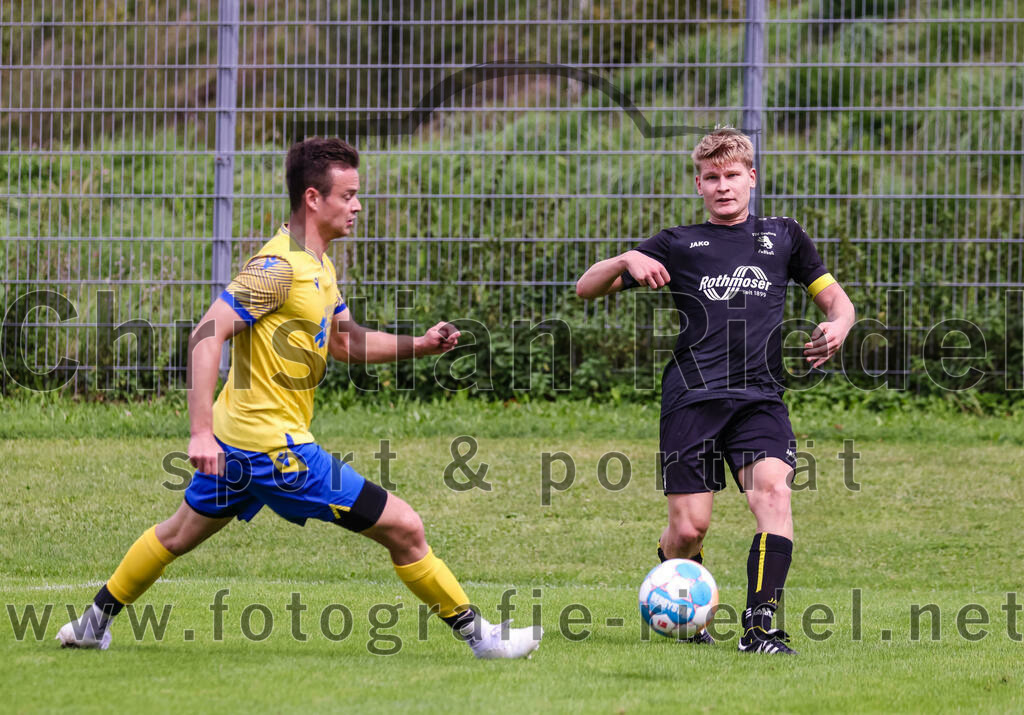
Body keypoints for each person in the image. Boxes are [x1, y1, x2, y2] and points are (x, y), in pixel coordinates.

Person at [57, 137, 542, 659]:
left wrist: (419, 345)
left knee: (176, 534)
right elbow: (205, 334)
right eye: (348, 195)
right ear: (314, 198)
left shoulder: (318, 265)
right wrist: (198, 431)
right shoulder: (279, 268)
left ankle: (91, 624)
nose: (357, 206)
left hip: (239, 442)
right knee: (405, 526)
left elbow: (344, 341)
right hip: (274, 450)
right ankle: (482, 639)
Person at [575, 128, 855, 655]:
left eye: (732, 176)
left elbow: (836, 301)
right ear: (698, 184)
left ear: (751, 177)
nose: (723, 187)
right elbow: (585, 287)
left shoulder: (785, 236)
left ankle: (759, 626)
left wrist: (840, 324)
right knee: (689, 529)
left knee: (773, 494)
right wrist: (624, 260)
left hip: (760, 398)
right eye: (712, 178)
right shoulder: (678, 243)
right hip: (692, 397)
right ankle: (684, 600)